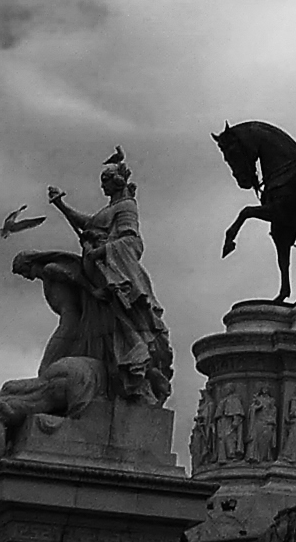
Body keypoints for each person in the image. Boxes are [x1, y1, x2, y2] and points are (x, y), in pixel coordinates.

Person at [49, 150, 172, 404]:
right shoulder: (110, 208)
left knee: (123, 328)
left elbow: (132, 241)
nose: (102, 186)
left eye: (105, 181)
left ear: (117, 181)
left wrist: (101, 251)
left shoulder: (127, 206)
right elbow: (88, 223)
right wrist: (61, 205)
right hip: (98, 281)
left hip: (115, 278)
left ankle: (137, 376)